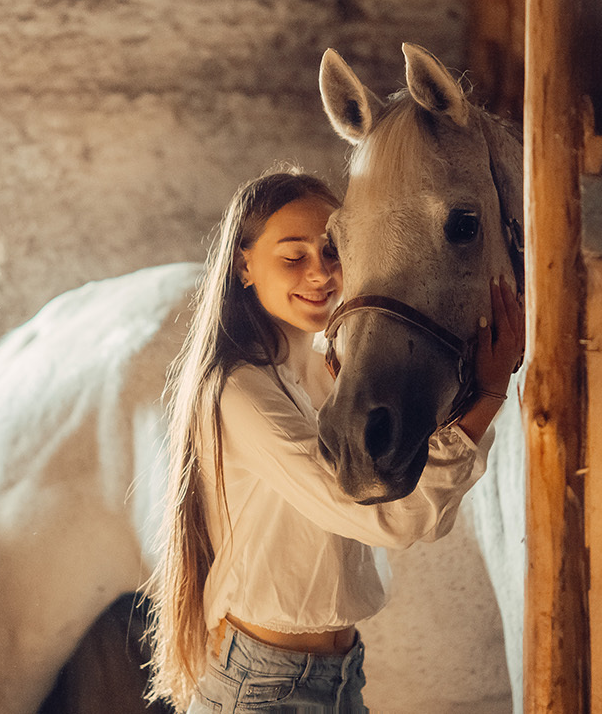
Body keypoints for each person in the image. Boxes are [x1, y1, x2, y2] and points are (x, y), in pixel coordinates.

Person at [146, 169, 524, 713]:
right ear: (243, 265)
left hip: (340, 674)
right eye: (293, 256)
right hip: (263, 687)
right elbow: (384, 518)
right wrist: (487, 395)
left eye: (331, 250)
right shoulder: (240, 392)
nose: (320, 274)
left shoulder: (330, 372)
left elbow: (422, 510)